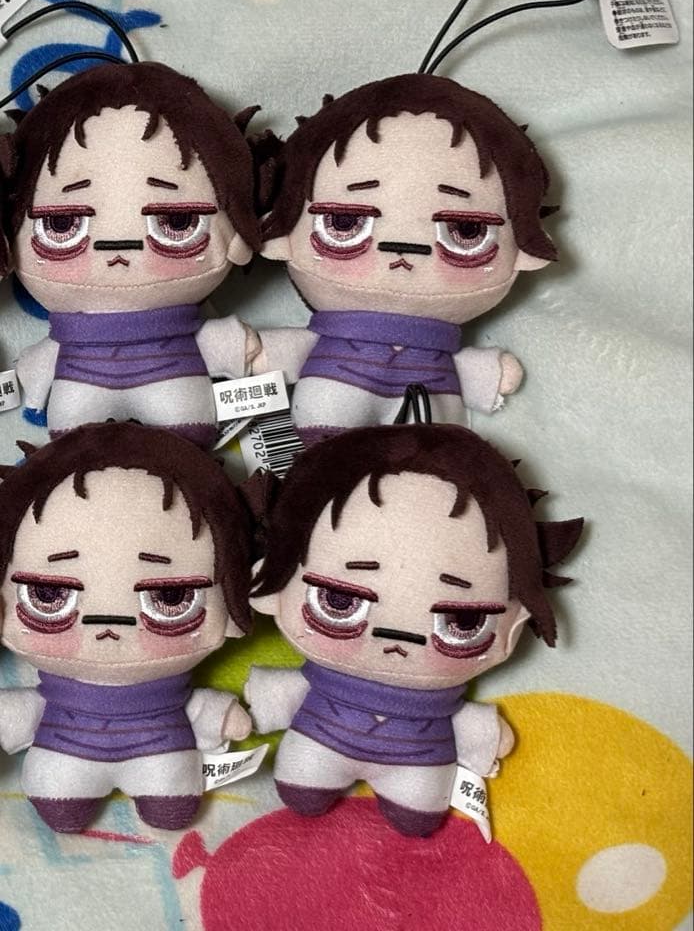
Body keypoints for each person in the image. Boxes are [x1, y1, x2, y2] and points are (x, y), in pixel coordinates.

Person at [246, 422, 582, 836]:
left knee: (416, 813)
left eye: (462, 621)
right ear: (270, 586)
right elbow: (281, 695)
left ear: (517, 620)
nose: (396, 639)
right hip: (322, 744)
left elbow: (467, 723)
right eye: (340, 601)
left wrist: (484, 734)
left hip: (418, 765)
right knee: (304, 788)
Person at [255, 73, 557, 443]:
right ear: (281, 236)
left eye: (466, 230)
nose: (403, 246)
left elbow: (261, 356)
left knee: (426, 454)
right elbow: (274, 353)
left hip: (429, 429)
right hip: (331, 424)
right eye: (345, 222)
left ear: (524, 250)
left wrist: (485, 371)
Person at [0, 421, 254, 832]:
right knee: (60, 800)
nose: (108, 623)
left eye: (170, 596)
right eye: (48, 594)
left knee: (169, 805)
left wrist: (221, 715)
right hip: (67, 758)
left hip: (163, 757)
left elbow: (200, 708)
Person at [7, 61, 263, 446]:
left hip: (173, 386)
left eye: (176, 221)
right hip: (90, 387)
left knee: (179, 441)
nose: (117, 246)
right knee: (77, 446)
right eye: (62, 224)